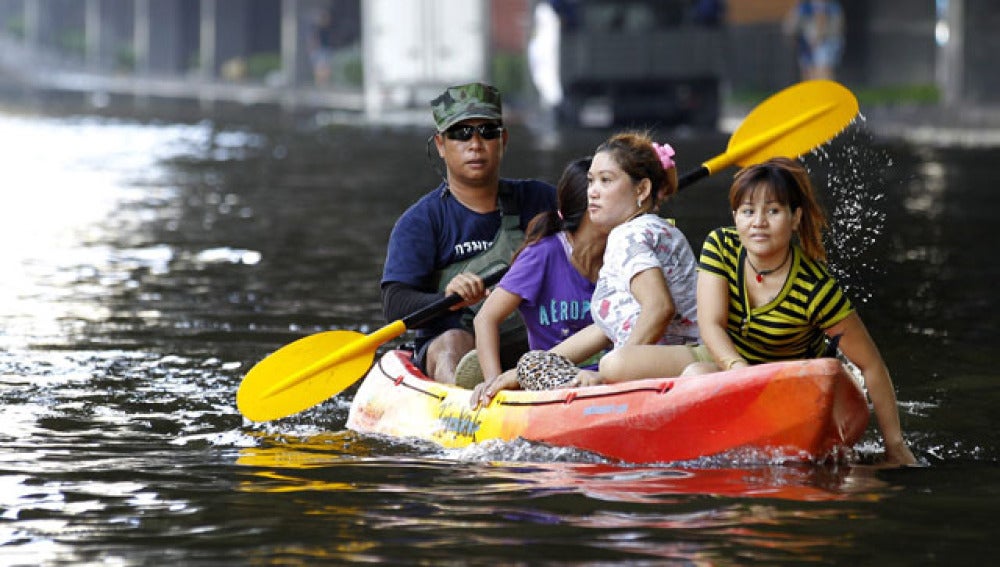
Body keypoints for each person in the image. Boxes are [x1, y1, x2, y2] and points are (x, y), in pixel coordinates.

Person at [685, 157, 917, 465]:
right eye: (748, 211)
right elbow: (710, 324)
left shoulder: (816, 288)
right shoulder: (721, 245)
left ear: (795, 218)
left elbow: (872, 365)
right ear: (735, 216)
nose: (759, 222)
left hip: (796, 384)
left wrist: (895, 445)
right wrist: (738, 373)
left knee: (697, 376)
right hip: (733, 362)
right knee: (624, 366)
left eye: (774, 211)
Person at [473, 132, 707, 406]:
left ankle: (593, 381)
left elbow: (659, 307)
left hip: (684, 356)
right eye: (591, 181)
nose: (592, 191)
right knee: (533, 364)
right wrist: (525, 370)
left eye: (606, 181)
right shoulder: (656, 228)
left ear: (641, 190)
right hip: (676, 357)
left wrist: (613, 375)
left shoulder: (628, 236)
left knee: (610, 363)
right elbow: (604, 328)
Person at [381, 82, 558, 384]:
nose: (475, 144)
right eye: (461, 134)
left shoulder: (541, 200)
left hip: (535, 341)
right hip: (459, 343)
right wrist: (447, 298)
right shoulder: (421, 221)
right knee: (452, 344)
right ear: (440, 145)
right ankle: (465, 402)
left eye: (487, 132)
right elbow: (395, 304)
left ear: (503, 140)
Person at [466, 157, 606, 396]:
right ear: (589, 209)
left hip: (606, 376)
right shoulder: (542, 254)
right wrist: (494, 382)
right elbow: (485, 319)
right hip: (552, 381)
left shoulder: (623, 253)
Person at [784, 0, 845, 81]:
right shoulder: (803, 7)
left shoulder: (832, 7)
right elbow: (789, 26)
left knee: (823, 71)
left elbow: (837, 27)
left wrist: (820, 36)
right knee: (808, 73)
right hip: (806, 45)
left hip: (826, 44)